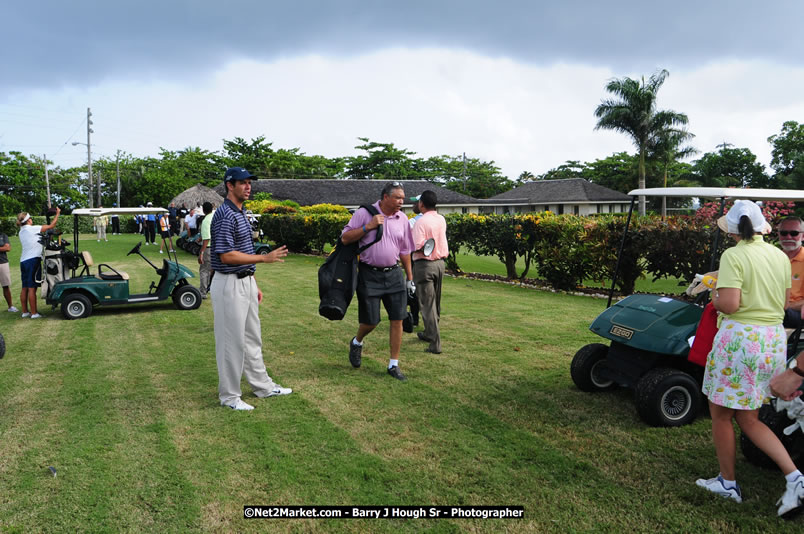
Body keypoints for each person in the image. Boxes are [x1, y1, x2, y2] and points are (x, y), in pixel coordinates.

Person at [695, 200, 804, 518]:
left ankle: (728, 483)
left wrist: (712, 290)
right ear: (763, 228)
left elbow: (729, 303)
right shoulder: (777, 255)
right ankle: (795, 477)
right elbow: (783, 302)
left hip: (740, 341)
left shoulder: (734, 255)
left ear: (731, 229)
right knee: (749, 417)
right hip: (771, 340)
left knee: (720, 414)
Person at [210, 167, 291, 410]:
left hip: (244, 281)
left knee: (252, 338)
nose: (248, 187)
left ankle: (263, 387)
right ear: (229, 186)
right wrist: (263, 259)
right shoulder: (225, 214)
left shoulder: (240, 212)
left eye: (249, 183)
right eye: (242, 183)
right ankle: (230, 397)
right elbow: (226, 256)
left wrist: (252, 282)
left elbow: (240, 253)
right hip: (228, 283)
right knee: (231, 342)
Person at [341, 182, 415, 381]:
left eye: (403, 198)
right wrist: (368, 226)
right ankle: (357, 342)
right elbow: (345, 238)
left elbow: (405, 250)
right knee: (370, 322)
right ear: (385, 197)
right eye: (398, 197)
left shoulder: (403, 219)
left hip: (394, 275)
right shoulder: (365, 213)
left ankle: (393, 365)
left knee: (398, 319)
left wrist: (410, 278)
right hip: (369, 274)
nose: (402, 201)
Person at [411, 190, 449, 354]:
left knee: (427, 305)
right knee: (436, 303)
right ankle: (428, 333)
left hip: (424, 265)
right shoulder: (441, 219)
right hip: (440, 263)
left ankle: (435, 344)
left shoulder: (420, 222)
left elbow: (417, 245)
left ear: (421, 204)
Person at [16, 208, 60, 318]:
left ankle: (25, 312)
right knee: (32, 288)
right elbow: (51, 226)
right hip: (33, 260)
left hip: (23, 261)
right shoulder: (32, 229)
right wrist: (58, 213)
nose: (32, 220)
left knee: (25, 287)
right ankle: (34, 313)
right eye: (30, 218)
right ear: (28, 220)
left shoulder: (21, 231)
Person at [779, 216, 804, 329]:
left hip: (795, 314)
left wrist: (786, 306)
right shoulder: (773, 258)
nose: (788, 237)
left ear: (802, 236)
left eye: (794, 233)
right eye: (784, 233)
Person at [197, 201, 214, 298]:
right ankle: (209, 288)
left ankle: (203, 292)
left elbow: (207, 238)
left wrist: (201, 253)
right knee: (211, 270)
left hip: (208, 248)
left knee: (204, 270)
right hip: (216, 248)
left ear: (203, 210)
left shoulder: (206, 220)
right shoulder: (214, 217)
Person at [0, 232, 19, 312]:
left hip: (2, 262)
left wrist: (3, 248)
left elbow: (7, 248)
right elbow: (4, 247)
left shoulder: (3, 235)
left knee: (6, 286)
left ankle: (10, 306)